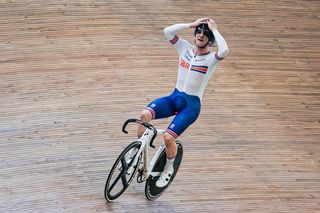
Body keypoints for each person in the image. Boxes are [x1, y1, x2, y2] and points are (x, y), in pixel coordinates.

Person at [137, 17, 229, 188]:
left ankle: (168, 170)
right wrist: (191, 24)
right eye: (198, 32)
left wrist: (215, 29)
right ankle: (137, 155)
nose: (201, 35)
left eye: (205, 34)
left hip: (190, 107)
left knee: (167, 138)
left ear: (211, 39)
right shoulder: (184, 48)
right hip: (174, 98)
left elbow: (224, 51)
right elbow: (167, 31)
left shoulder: (211, 59)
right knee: (143, 115)